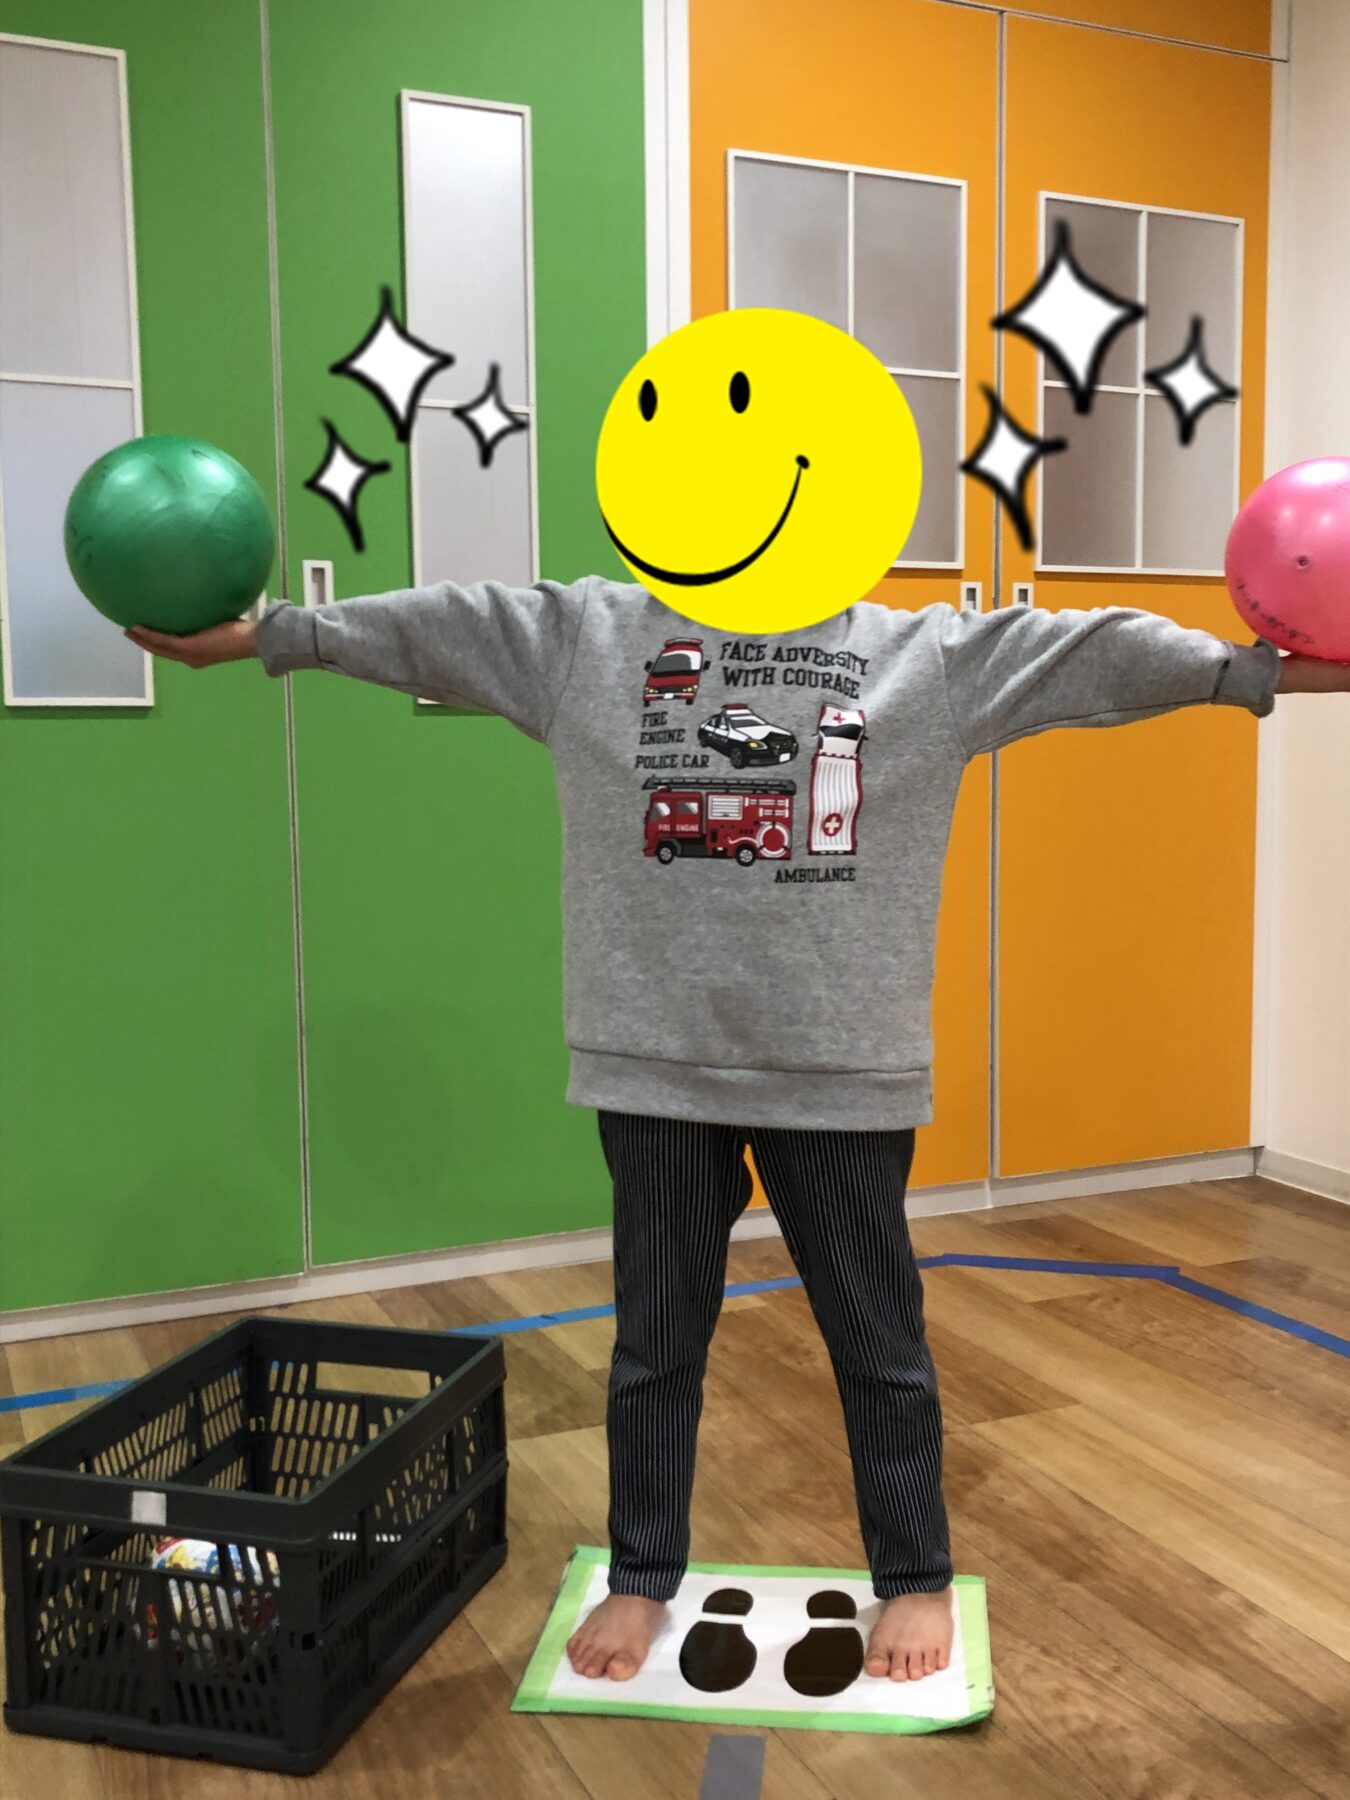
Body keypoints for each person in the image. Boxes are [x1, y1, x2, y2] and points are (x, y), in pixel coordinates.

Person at [130, 582, 1344, 1685]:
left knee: (879, 1343)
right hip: (656, 1070)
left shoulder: (924, 656)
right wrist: (268, 635)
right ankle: (644, 1572)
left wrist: (1267, 671)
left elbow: (1096, 651)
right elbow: (439, 624)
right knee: (656, 1342)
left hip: (842, 1075)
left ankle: (913, 1574)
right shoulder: (590, 637)